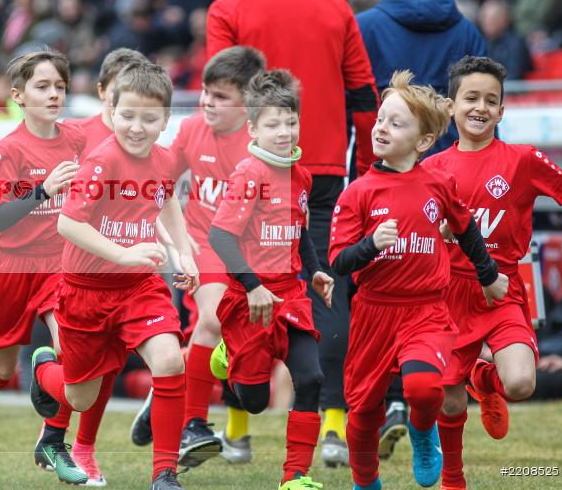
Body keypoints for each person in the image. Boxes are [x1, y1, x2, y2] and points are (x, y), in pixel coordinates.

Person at [206, 0, 379, 467]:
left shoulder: (227, 7)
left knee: (244, 287)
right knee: (324, 285)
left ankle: (237, 427)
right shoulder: (335, 6)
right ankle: (332, 426)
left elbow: (223, 97)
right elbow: (363, 97)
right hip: (323, 167)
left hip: (251, 167)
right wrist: (366, 170)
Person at [328, 70, 509, 490]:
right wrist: (371, 244)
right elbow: (339, 261)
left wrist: (488, 274)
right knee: (363, 416)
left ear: (424, 141)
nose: (381, 128)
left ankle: (423, 433)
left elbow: (465, 229)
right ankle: (366, 481)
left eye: (396, 122)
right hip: (374, 313)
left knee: (426, 389)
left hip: (425, 309)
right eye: (379, 120)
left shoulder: (437, 183)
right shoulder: (357, 192)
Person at [28, 61, 199, 490]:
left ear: (165, 120)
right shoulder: (103, 160)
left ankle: (164, 474)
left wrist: (183, 251)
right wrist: (123, 254)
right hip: (85, 290)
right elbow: (68, 224)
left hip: (139, 287)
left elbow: (168, 202)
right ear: (112, 110)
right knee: (77, 396)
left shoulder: (164, 160)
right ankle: (44, 369)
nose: (136, 127)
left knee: (170, 360)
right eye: (127, 116)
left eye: (148, 118)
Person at [421, 56, 562, 490]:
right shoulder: (432, 169)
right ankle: (454, 478)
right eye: (471, 98)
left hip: (502, 288)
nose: (480, 107)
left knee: (523, 382)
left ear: (502, 111)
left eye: (491, 100)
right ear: (451, 106)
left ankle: (484, 377)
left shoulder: (522, 159)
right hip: (447, 295)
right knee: (447, 403)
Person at [0, 50, 91, 490]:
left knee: (74, 353)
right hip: (13, 266)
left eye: (59, 87)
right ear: (17, 95)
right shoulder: (8, 148)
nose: (54, 94)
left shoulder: (76, 138)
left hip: (60, 262)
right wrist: (44, 189)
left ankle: (54, 439)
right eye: (42, 86)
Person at [207, 69, 334, 490]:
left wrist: (314, 270)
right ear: (253, 129)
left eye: (291, 122)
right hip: (249, 298)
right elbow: (220, 237)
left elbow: (299, 231)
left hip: (291, 297)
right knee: (256, 403)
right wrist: (252, 285)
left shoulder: (302, 176)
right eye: (273, 124)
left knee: (312, 378)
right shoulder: (249, 174)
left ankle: (294, 477)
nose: (284, 132)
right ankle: (228, 352)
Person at [164, 46, 267, 468]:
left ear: (249, 103)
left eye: (221, 96)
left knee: (246, 350)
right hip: (203, 246)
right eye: (206, 92)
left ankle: (167, 385)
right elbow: (158, 179)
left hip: (251, 254)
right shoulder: (190, 129)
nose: (207, 101)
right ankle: (193, 425)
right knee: (211, 319)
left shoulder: (264, 140)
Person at [357, 0, 486, 157]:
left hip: (385, 167)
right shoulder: (466, 30)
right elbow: (484, 107)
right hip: (453, 168)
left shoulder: (363, 28)